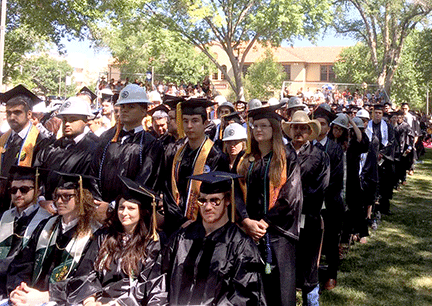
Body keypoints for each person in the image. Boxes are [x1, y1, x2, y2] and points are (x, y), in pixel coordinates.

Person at [60, 176, 167, 306]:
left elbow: (150, 282)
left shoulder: (152, 241)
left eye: (131, 208)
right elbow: (87, 271)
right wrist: (89, 299)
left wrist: (119, 303)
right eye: (121, 207)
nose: (124, 213)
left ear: (142, 212)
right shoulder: (104, 235)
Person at [163, 171, 266, 305]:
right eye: (202, 200)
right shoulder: (182, 237)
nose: (208, 206)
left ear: (228, 200)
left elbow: (244, 296)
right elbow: (160, 279)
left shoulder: (241, 245)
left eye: (215, 200)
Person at [237, 105, 303, 306]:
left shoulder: (287, 158)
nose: (258, 130)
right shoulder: (246, 160)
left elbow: (290, 198)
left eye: (264, 125)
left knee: (280, 292)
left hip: (278, 235)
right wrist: (246, 220)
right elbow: (235, 193)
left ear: (274, 129)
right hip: (249, 233)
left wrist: (264, 222)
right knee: (252, 290)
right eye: (255, 125)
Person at [7, 172, 100, 305]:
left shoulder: (93, 234)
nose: (60, 201)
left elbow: (85, 279)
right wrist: (19, 288)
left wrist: (46, 296)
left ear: (82, 198)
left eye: (67, 196)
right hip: (29, 297)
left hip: (61, 301)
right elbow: (23, 262)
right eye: (57, 196)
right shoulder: (46, 225)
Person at [282, 111, 330, 305]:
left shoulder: (320, 156)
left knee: (309, 268)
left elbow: (320, 188)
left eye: (303, 128)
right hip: (283, 220)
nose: (299, 131)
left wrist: (295, 202)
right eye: (295, 127)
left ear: (310, 130)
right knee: (285, 267)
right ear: (290, 129)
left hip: (308, 218)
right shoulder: (281, 153)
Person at [163, 97, 229, 235]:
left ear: (205, 123)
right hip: (175, 223)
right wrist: (179, 219)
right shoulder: (175, 154)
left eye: (195, 121)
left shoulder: (216, 156)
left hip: (204, 227)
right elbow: (168, 190)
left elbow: (216, 196)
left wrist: (194, 221)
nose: (189, 126)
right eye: (185, 121)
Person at [91, 84, 164, 203]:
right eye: (123, 106)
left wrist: (114, 207)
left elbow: (144, 182)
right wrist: (98, 202)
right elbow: (94, 171)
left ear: (144, 110)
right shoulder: (107, 138)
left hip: (130, 211)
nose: (124, 110)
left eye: (131, 106)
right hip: (100, 209)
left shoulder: (151, 145)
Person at [0, 166, 52, 298]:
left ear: (38, 191)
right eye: (13, 190)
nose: (18, 194)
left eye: (24, 190)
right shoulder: (5, 216)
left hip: (26, 285)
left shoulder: (46, 219)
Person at [0, 85, 53, 212]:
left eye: (17, 112)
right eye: (8, 113)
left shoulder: (41, 141)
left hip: (27, 205)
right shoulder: (3, 140)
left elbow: (43, 177)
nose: (11, 117)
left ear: (29, 114)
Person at [34, 97, 100, 198]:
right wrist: (42, 199)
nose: (67, 124)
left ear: (86, 120)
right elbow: (40, 176)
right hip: (48, 205)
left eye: (73, 119)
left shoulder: (95, 149)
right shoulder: (52, 146)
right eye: (64, 120)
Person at [312, 104, 344, 290]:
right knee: (309, 240)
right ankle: (308, 274)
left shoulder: (335, 149)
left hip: (329, 202)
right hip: (309, 203)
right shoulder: (307, 146)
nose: (320, 127)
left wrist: (317, 192)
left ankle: (331, 275)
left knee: (331, 240)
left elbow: (336, 179)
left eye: (323, 123)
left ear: (329, 127)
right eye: (316, 122)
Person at [365, 104, 395, 215]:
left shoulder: (388, 126)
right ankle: (370, 207)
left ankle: (384, 208)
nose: (377, 115)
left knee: (385, 183)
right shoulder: (367, 125)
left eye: (380, 113)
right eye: (375, 113)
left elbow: (391, 142)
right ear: (372, 113)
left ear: (382, 114)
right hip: (369, 159)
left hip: (384, 159)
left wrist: (381, 153)